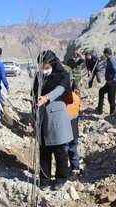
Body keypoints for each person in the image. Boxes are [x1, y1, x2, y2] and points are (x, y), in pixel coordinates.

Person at [32, 50, 73, 191]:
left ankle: (61, 178)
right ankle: (44, 179)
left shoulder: (63, 75)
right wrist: (33, 115)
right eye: (42, 67)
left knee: (59, 149)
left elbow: (60, 89)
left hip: (56, 116)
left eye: (47, 67)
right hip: (42, 115)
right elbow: (34, 95)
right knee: (44, 149)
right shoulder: (38, 76)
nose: (44, 70)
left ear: (53, 64)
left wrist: (47, 97)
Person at [97, 48, 116, 114]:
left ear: (106, 54)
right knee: (101, 91)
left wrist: (111, 79)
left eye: (104, 54)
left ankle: (112, 115)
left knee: (111, 100)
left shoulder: (112, 60)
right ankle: (99, 110)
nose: (104, 55)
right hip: (109, 83)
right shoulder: (109, 59)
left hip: (112, 83)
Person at [65, 91, 81, 174]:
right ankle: (75, 167)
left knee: (64, 150)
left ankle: (63, 170)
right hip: (74, 130)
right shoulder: (76, 97)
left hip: (65, 130)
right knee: (73, 149)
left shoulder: (62, 98)